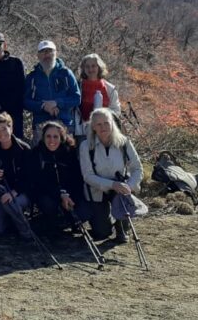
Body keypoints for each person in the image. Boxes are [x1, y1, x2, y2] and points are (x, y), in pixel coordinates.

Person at [79, 108, 142, 242]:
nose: (103, 127)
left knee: (122, 235)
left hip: (121, 190)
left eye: (106, 123)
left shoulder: (124, 143)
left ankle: (122, 228)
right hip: (97, 190)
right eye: (99, 124)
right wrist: (112, 184)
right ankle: (106, 223)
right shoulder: (85, 146)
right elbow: (88, 176)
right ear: (93, 127)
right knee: (101, 233)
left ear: (112, 124)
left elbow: (137, 168)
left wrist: (129, 186)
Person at [0, 113, 34, 239]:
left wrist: (15, 192)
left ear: (11, 128)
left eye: (4, 128)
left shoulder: (24, 149)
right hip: (1, 193)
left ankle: (26, 233)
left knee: (9, 203)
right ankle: (11, 221)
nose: (1, 133)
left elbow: (31, 178)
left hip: (21, 193)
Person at [33, 120, 89, 231]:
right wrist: (59, 195)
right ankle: (52, 221)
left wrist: (69, 196)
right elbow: (38, 182)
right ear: (43, 137)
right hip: (48, 194)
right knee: (49, 205)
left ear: (61, 138)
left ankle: (69, 221)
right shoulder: (36, 154)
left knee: (85, 212)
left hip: (69, 194)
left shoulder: (70, 153)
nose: (51, 140)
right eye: (48, 136)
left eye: (55, 136)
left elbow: (77, 179)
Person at [24, 40, 81, 143]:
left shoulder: (66, 74)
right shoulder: (32, 77)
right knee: (41, 158)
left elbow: (76, 98)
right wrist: (42, 106)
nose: (47, 54)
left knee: (66, 157)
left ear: (56, 53)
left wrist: (57, 103)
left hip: (64, 124)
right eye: (43, 51)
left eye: (50, 51)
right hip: (40, 125)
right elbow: (25, 101)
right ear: (38, 55)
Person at [75, 53, 122, 140]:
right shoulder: (77, 87)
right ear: (83, 69)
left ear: (99, 67)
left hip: (104, 132)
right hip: (82, 132)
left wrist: (104, 117)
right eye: (87, 66)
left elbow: (116, 110)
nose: (90, 69)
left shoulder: (110, 89)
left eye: (93, 66)